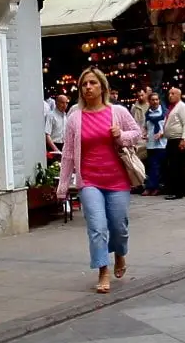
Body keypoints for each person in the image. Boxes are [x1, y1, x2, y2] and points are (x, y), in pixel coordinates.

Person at [56, 67, 143, 294]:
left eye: (93, 83)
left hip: (117, 181)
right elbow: (67, 154)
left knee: (119, 226)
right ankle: (103, 271)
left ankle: (120, 255)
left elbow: (137, 133)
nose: (88, 87)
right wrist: (63, 186)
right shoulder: (75, 118)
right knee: (97, 228)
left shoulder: (118, 112)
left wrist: (120, 136)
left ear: (102, 87)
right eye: (84, 84)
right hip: (90, 181)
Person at [162, 87, 185, 200]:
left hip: (178, 139)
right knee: (173, 165)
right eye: (169, 93)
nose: (170, 95)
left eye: (173, 93)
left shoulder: (182, 107)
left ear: (179, 95)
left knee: (177, 166)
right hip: (171, 139)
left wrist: (183, 139)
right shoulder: (171, 107)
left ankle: (177, 191)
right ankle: (177, 190)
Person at [143, 92, 167, 196]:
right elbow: (145, 127)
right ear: (149, 101)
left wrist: (162, 133)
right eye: (153, 100)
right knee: (151, 166)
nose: (155, 102)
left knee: (158, 167)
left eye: (157, 99)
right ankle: (150, 187)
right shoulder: (147, 114)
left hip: (161, 144)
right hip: (151, 144)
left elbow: (168, 127)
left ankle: (156, 187)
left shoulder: (164, 113)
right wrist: (144, 134)